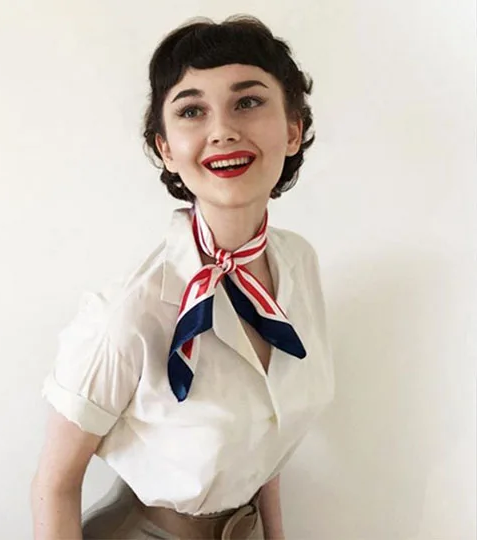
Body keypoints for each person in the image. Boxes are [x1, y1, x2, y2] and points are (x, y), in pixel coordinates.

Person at [30, 15, 333, 539]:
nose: (222, 130)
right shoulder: (127, 311)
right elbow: (54, 486)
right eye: (192, 110)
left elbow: (268, 434)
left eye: (248, 101)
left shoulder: (299, 263)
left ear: (292, 129)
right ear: (166, 147)